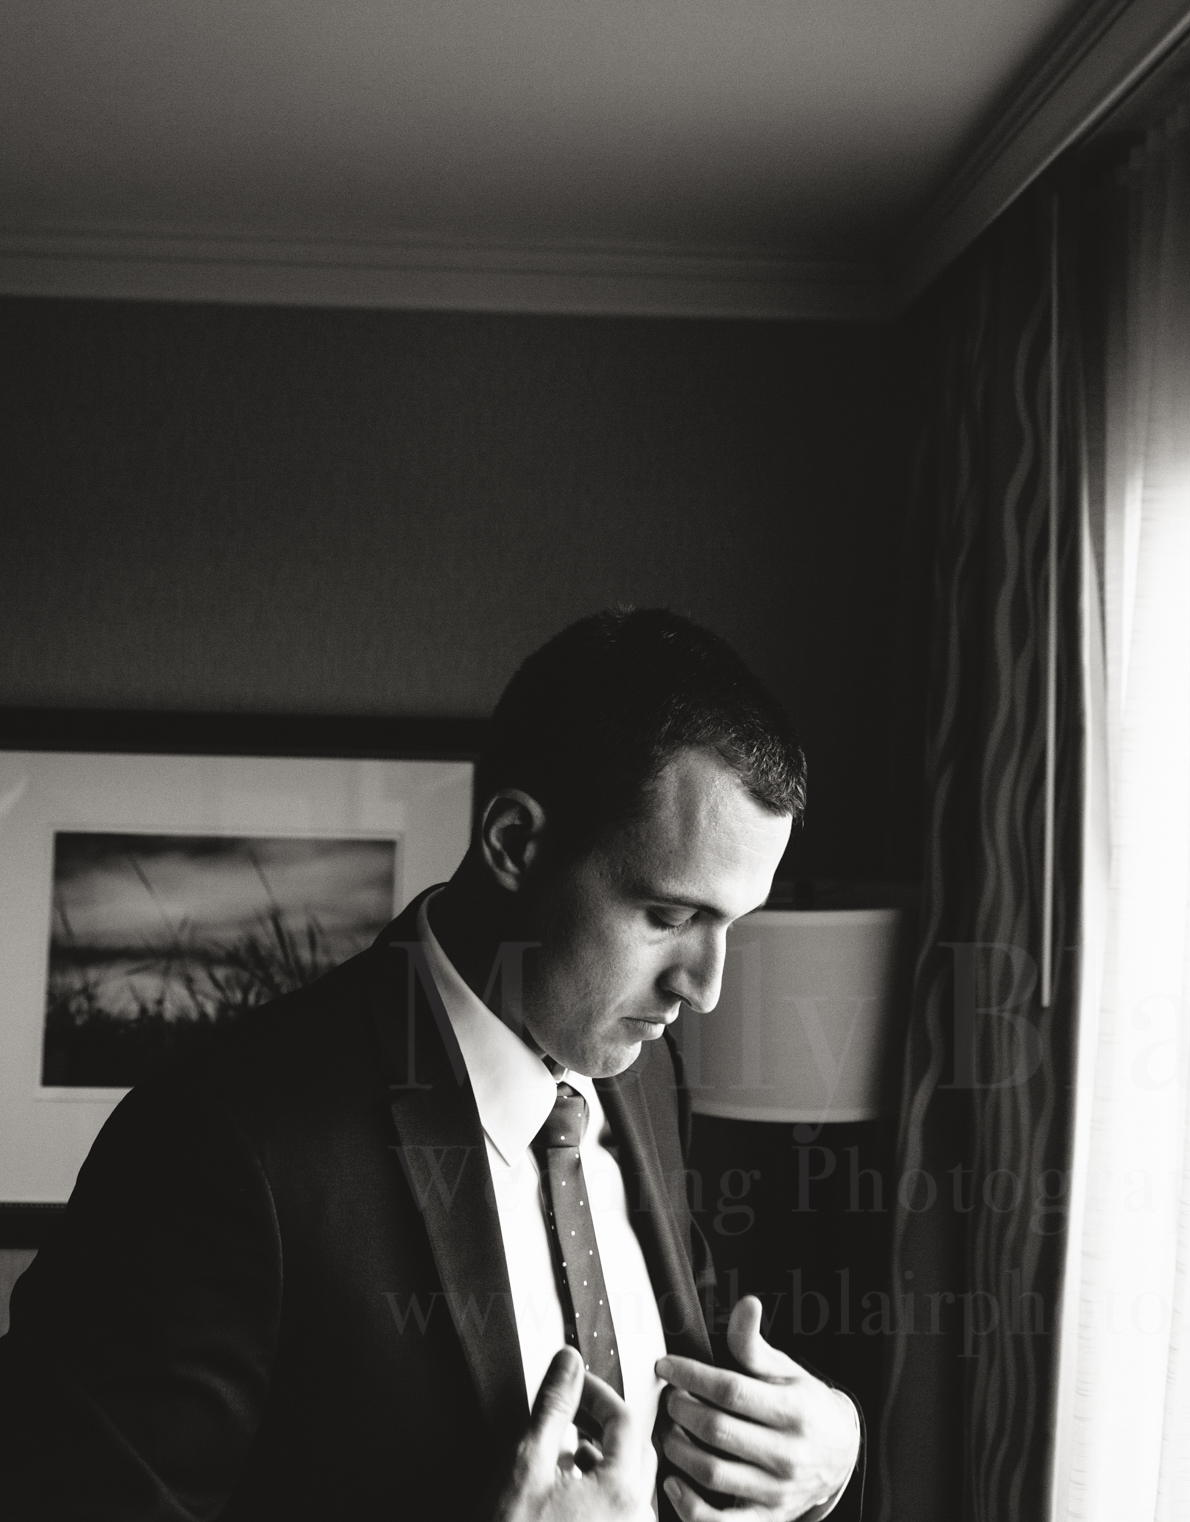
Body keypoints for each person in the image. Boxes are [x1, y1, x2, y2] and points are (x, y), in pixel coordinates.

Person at [0, 608, 863, 1519]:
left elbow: (689, 1413)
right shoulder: (215, 1142)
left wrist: (823, 1458)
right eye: (669, 916)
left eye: (734, 923)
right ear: (515, 845)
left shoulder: (644, 1076)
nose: (707, 988)